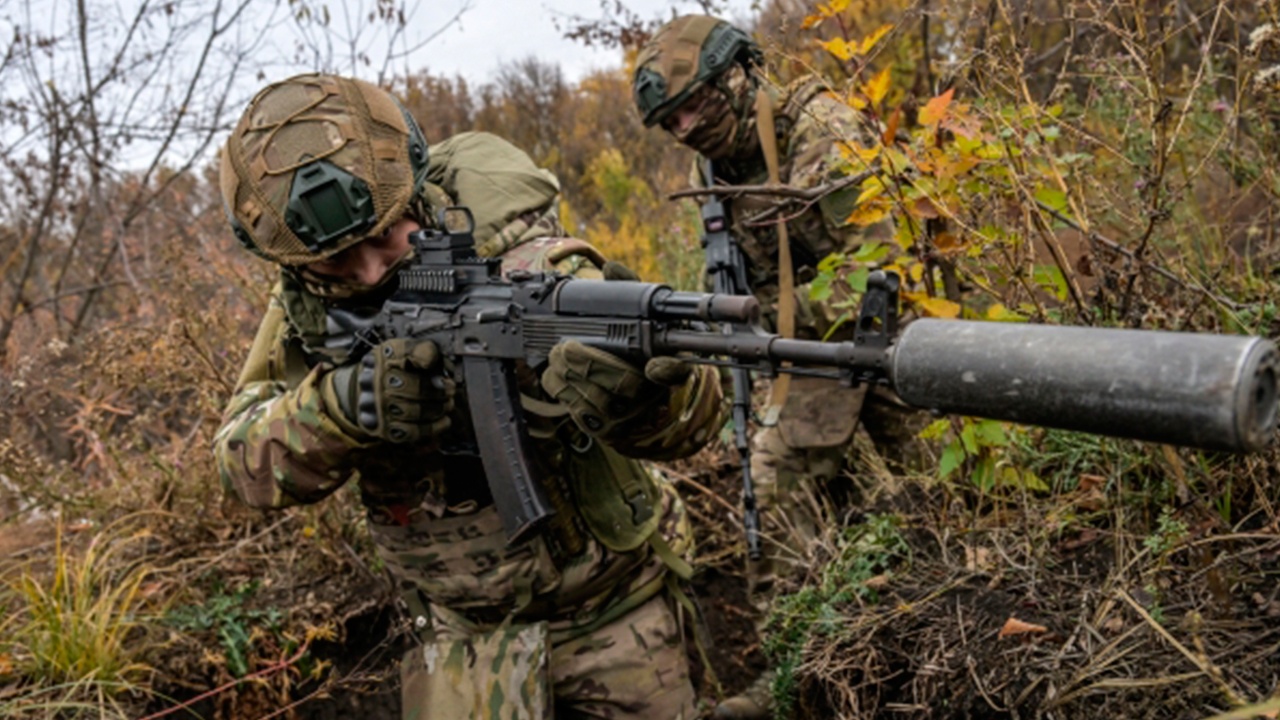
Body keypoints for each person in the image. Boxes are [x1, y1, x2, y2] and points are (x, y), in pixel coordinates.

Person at [213, 73, 725, 719]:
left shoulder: (531, 266)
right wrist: (340, 410)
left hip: (616, 612)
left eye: (383, 237)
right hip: (461, 639)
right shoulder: (304, 311)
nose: (369, 271)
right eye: (336, 263)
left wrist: (639, 398)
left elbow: (696, 423)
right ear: (294, 263)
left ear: (418, 196)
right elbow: (241, 466)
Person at [633, 15, 923, 719]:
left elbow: (878, 272)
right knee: (776, 493)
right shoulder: (721, 162)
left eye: (694, 106)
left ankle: (936, 626)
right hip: (800, 355)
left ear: (739, 74)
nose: (684, 129)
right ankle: (798, 666)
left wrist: (789, 346)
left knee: (939, 497)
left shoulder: (820, 131)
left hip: (890, 347)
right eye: (671, 120)